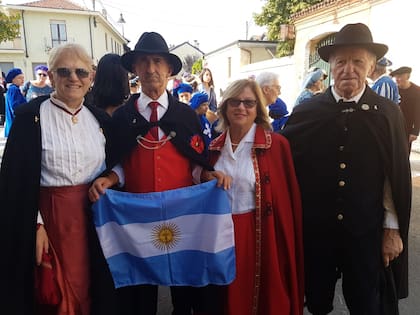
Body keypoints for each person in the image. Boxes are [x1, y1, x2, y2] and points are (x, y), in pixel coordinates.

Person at [88, 31, 229, 315]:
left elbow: (195, 163)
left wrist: (207, 176)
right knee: (140, 293)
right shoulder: (123, 118)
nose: (151, 69)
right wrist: (109, 179)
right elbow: (120, 164)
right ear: (135, 69)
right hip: (137, 221)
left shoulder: (186, 115)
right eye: (143, 62)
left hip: (184, 218)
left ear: (169, 69)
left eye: (157, 62)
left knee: (186, 288)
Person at [282, 23, 411, 315]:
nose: (348, 69)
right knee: (315, 301)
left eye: (357, 61)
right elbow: (284, 165)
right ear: (330, 65)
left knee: (366, 303)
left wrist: (392, 230)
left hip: (366, 230)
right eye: (341, 61)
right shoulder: (307, 112)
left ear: (371, 66)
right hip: (316, 230)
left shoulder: (386, 114)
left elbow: (394, 179)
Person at [0, 43, 113, 315]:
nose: (73, 78)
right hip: (49, 220)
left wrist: (109, 177)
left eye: (81, 72)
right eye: (64, 71)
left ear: (92, 77)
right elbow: (14, 181)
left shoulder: (100, 120)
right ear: (51, 76)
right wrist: (35, 225)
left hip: (94, 220)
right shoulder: (30, 118)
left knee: (93, 288)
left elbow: (117, 168)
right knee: (53, 294)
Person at [208, 78, 304, 315]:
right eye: (235, 102)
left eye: (249, 103)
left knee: (262, 295)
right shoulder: (213, 148)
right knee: (225, 299)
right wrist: (204, 176)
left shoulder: (276, 145)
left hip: (260, 232)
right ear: (225, 107)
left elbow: (286, 203)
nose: (241, 108)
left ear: (258, 109)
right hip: (220, 235)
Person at [390, 66, 420, 151]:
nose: (397, 79)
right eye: (396, 77)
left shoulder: (417, 91)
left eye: (400, 77)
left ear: (407, 76)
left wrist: (415, 131)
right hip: (393, 126)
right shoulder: (394, 89)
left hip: (407, 127)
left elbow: (418, 112)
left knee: (405, 152)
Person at [4, 67, 26, 137]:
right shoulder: (14, 89)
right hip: (15, 124)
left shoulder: (13, 89)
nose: (22, 80)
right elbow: (15, 107)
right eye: (19, 78)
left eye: (23, 77)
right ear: (13, 79)